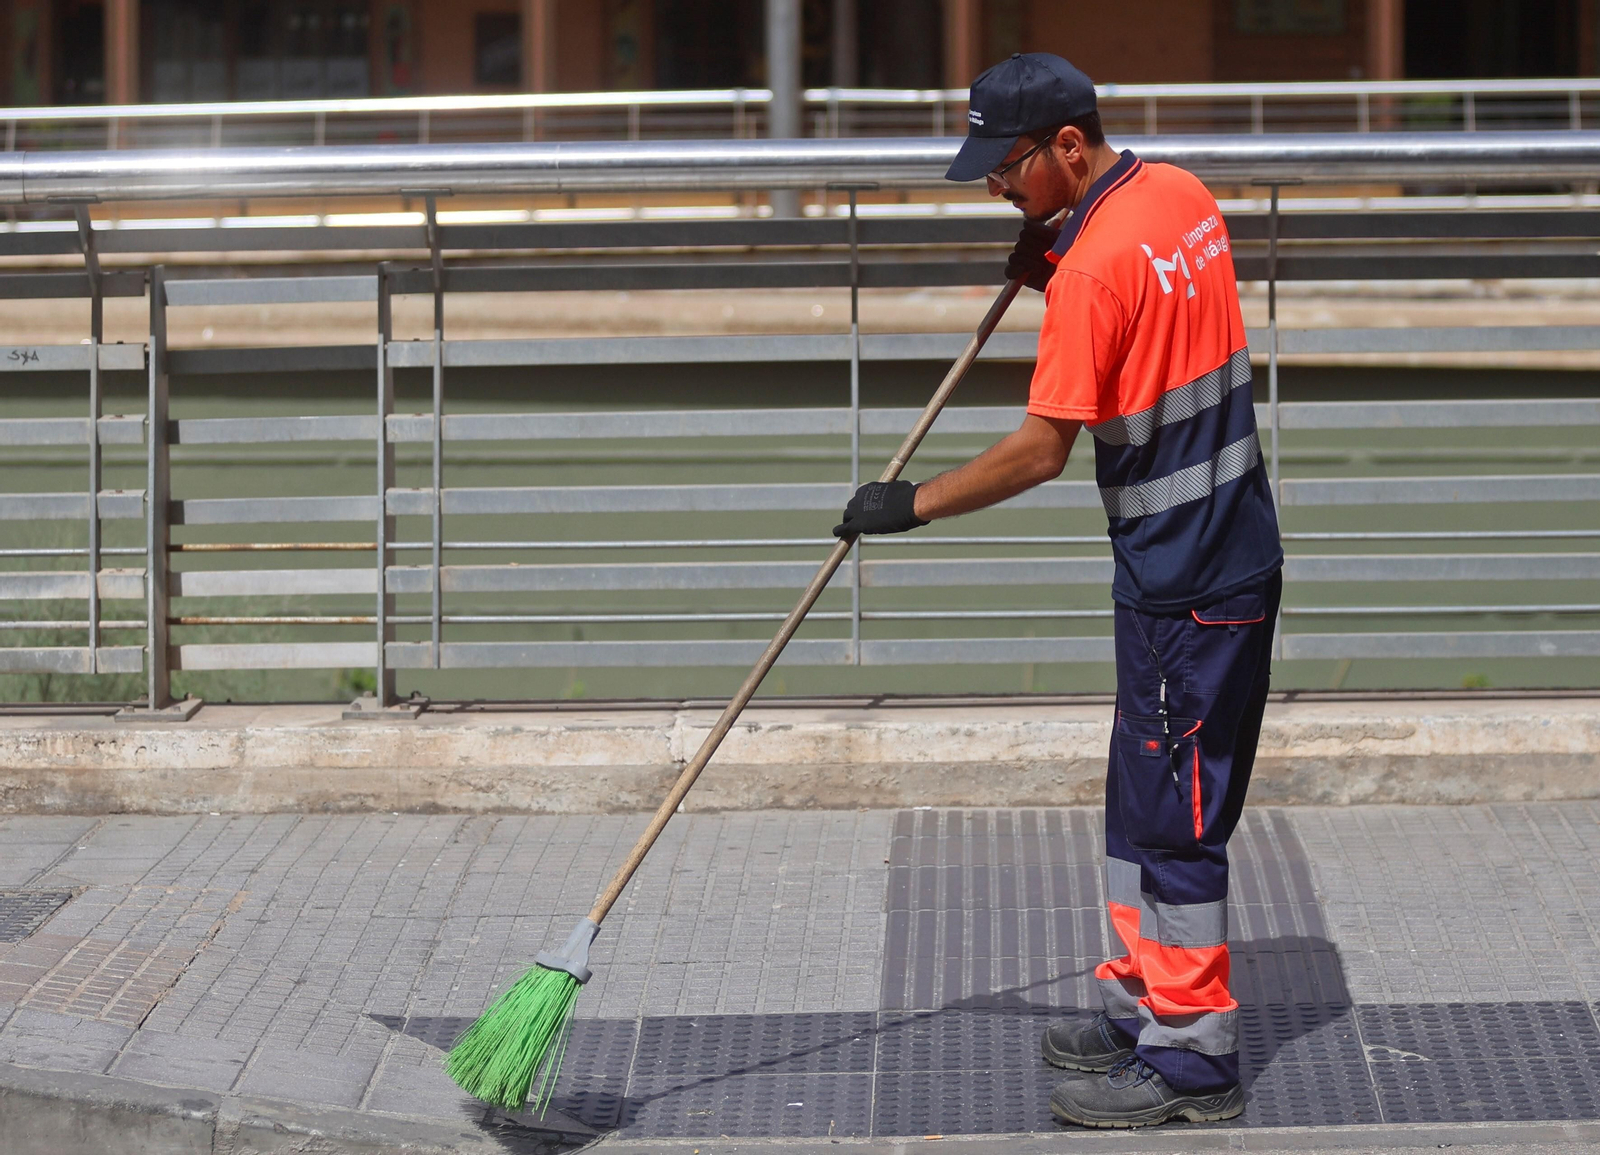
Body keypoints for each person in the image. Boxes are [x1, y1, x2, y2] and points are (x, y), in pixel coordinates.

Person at [833, 53, 1283, 1130]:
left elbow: (1039, 450)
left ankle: (1191, 1060)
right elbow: (1148, 291)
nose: (995, 185)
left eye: (1008, 166)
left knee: (1174, 823)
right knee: (1139, 803)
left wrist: (910, 506)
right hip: (1212, 560)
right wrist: (1060, 242)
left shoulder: (1090, 275)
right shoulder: (1177, 194)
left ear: (1068, 148)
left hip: (1188, 584)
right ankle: (1137, 1008)